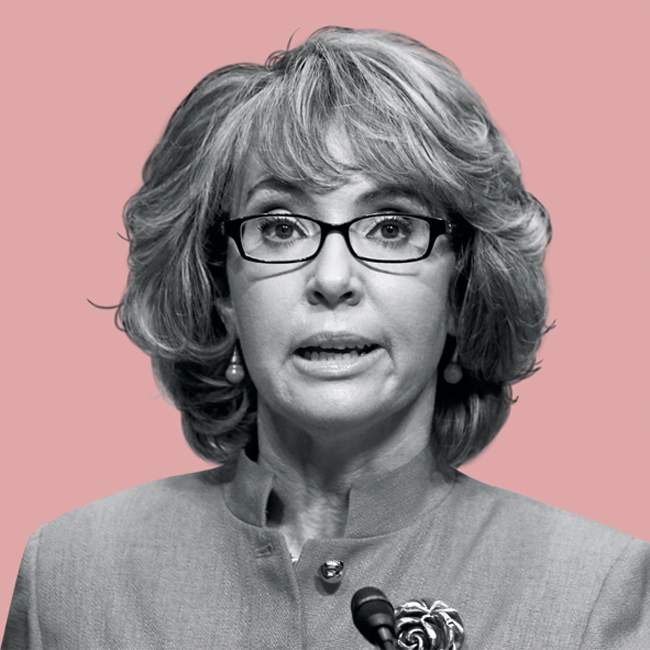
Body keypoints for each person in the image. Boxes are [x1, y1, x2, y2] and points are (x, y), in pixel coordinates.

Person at [3, 26, 649, 650]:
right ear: (222, 292)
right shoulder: (73, 573)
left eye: (391, 227)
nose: (332, 279)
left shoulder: (594, 592)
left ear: (461, 291)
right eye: (280, 227)